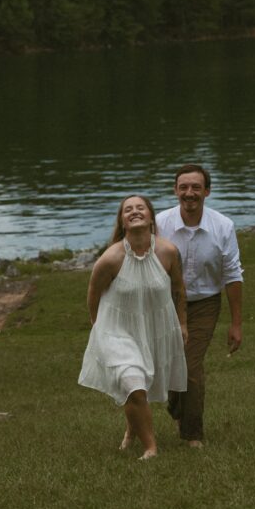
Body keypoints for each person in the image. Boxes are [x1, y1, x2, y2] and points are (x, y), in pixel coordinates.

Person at [78, 194, 188, 460]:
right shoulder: (111, 258)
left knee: (140, 388)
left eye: (141, 208)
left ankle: (132, 430)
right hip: (117, 331)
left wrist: (183, 322)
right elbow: (93, 295)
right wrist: (98, 330)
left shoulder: (168, 251)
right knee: (132, 384)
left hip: (153, 328)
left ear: (151, 217)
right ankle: (151, 447)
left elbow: (179, 289)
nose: (135, 211)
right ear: (122, 220)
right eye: (129, 209)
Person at [156, 164, 243, 448]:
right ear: (175, 190)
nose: (189, 193)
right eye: (183, 187)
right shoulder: (160, 224)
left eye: (196, 187)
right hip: (166, 303)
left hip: (205, 303)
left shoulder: (223, 226)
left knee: (190, 366)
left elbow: (232, 275)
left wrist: (236, 323)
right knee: (170, 365)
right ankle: (176, 407)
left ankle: (193, 434)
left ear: (207, 191)